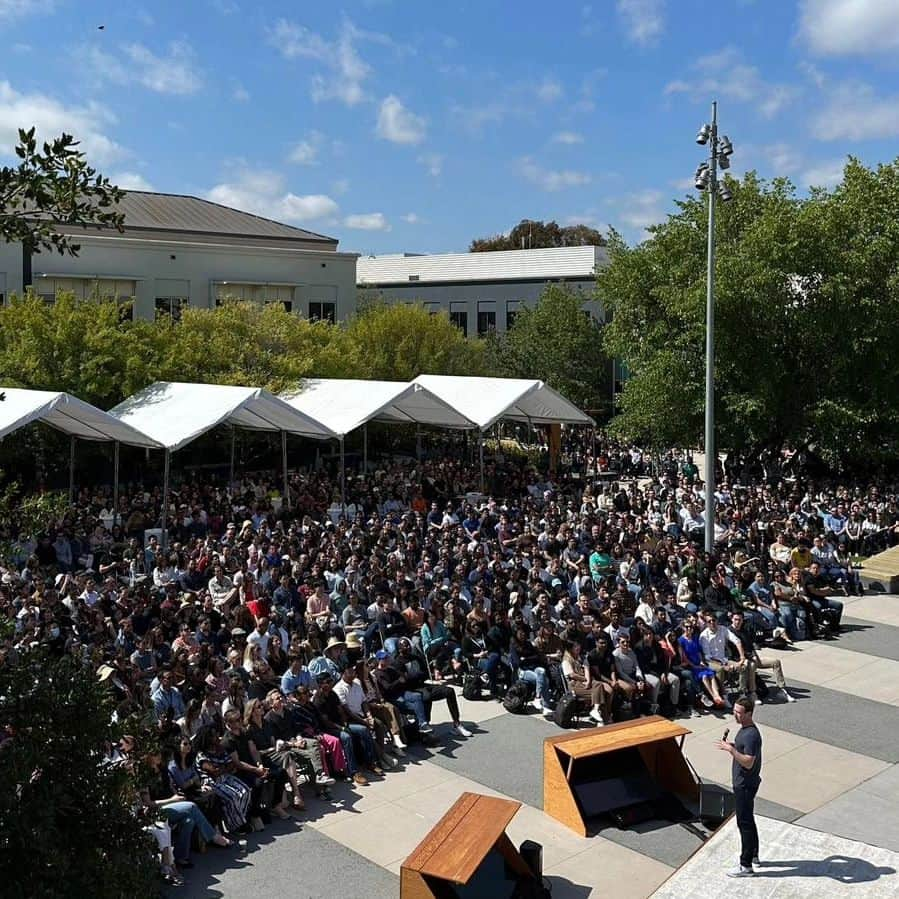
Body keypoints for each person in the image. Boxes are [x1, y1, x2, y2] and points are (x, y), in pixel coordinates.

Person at [716, 696, 763, 877]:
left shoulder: (751, 734)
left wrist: (731, 750)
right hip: (745, 783)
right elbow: (745, 751)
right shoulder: (745, 731)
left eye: (738, 712)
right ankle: (754, 855)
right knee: (748, 820)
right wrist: (734, 746)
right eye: (734, 710)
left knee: (744, 822)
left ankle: (746, 865)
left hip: (744, 785)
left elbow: (749, 762)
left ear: (749, 714)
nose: (734, 715)